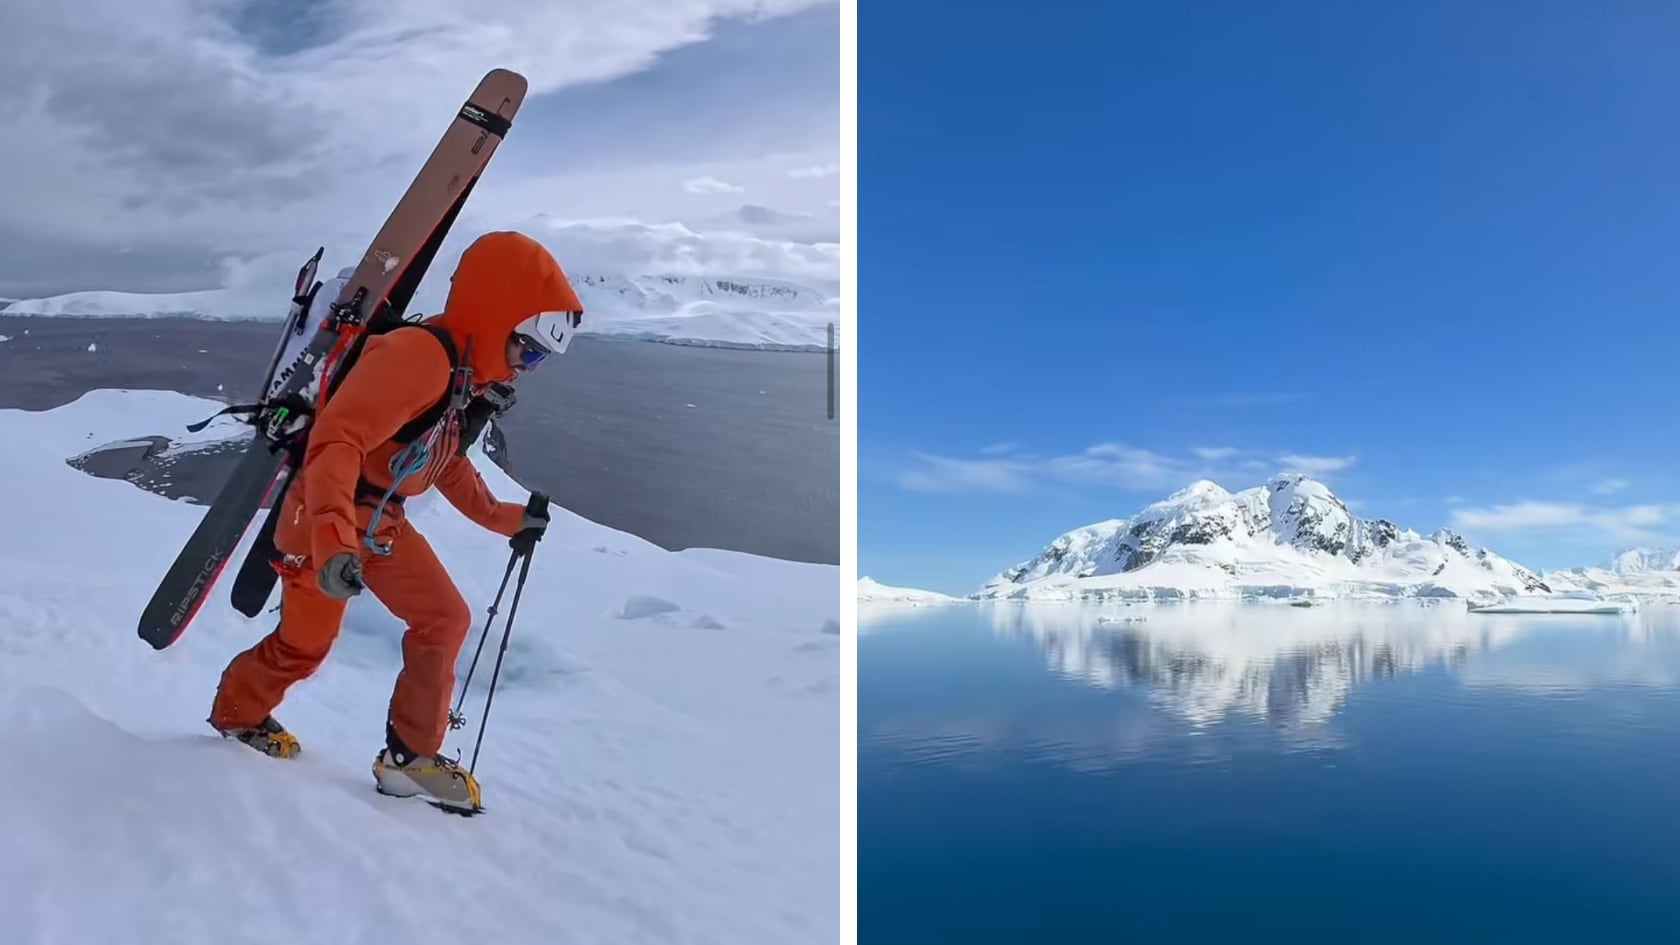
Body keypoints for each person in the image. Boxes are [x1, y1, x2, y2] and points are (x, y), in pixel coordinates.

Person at [207, 230, 585, 812]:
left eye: (539, 358)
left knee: (443, 618)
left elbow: (443, 462)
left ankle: (409, 760)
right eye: (528, 350)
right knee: (305, 645)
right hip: (322, 514)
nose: (528, 368)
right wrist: (333, 543)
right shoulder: (419, 358)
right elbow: (335, 442)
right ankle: (238, 716)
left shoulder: (463, 376)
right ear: (496, 317)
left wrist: (508, 519)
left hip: (379, 521)